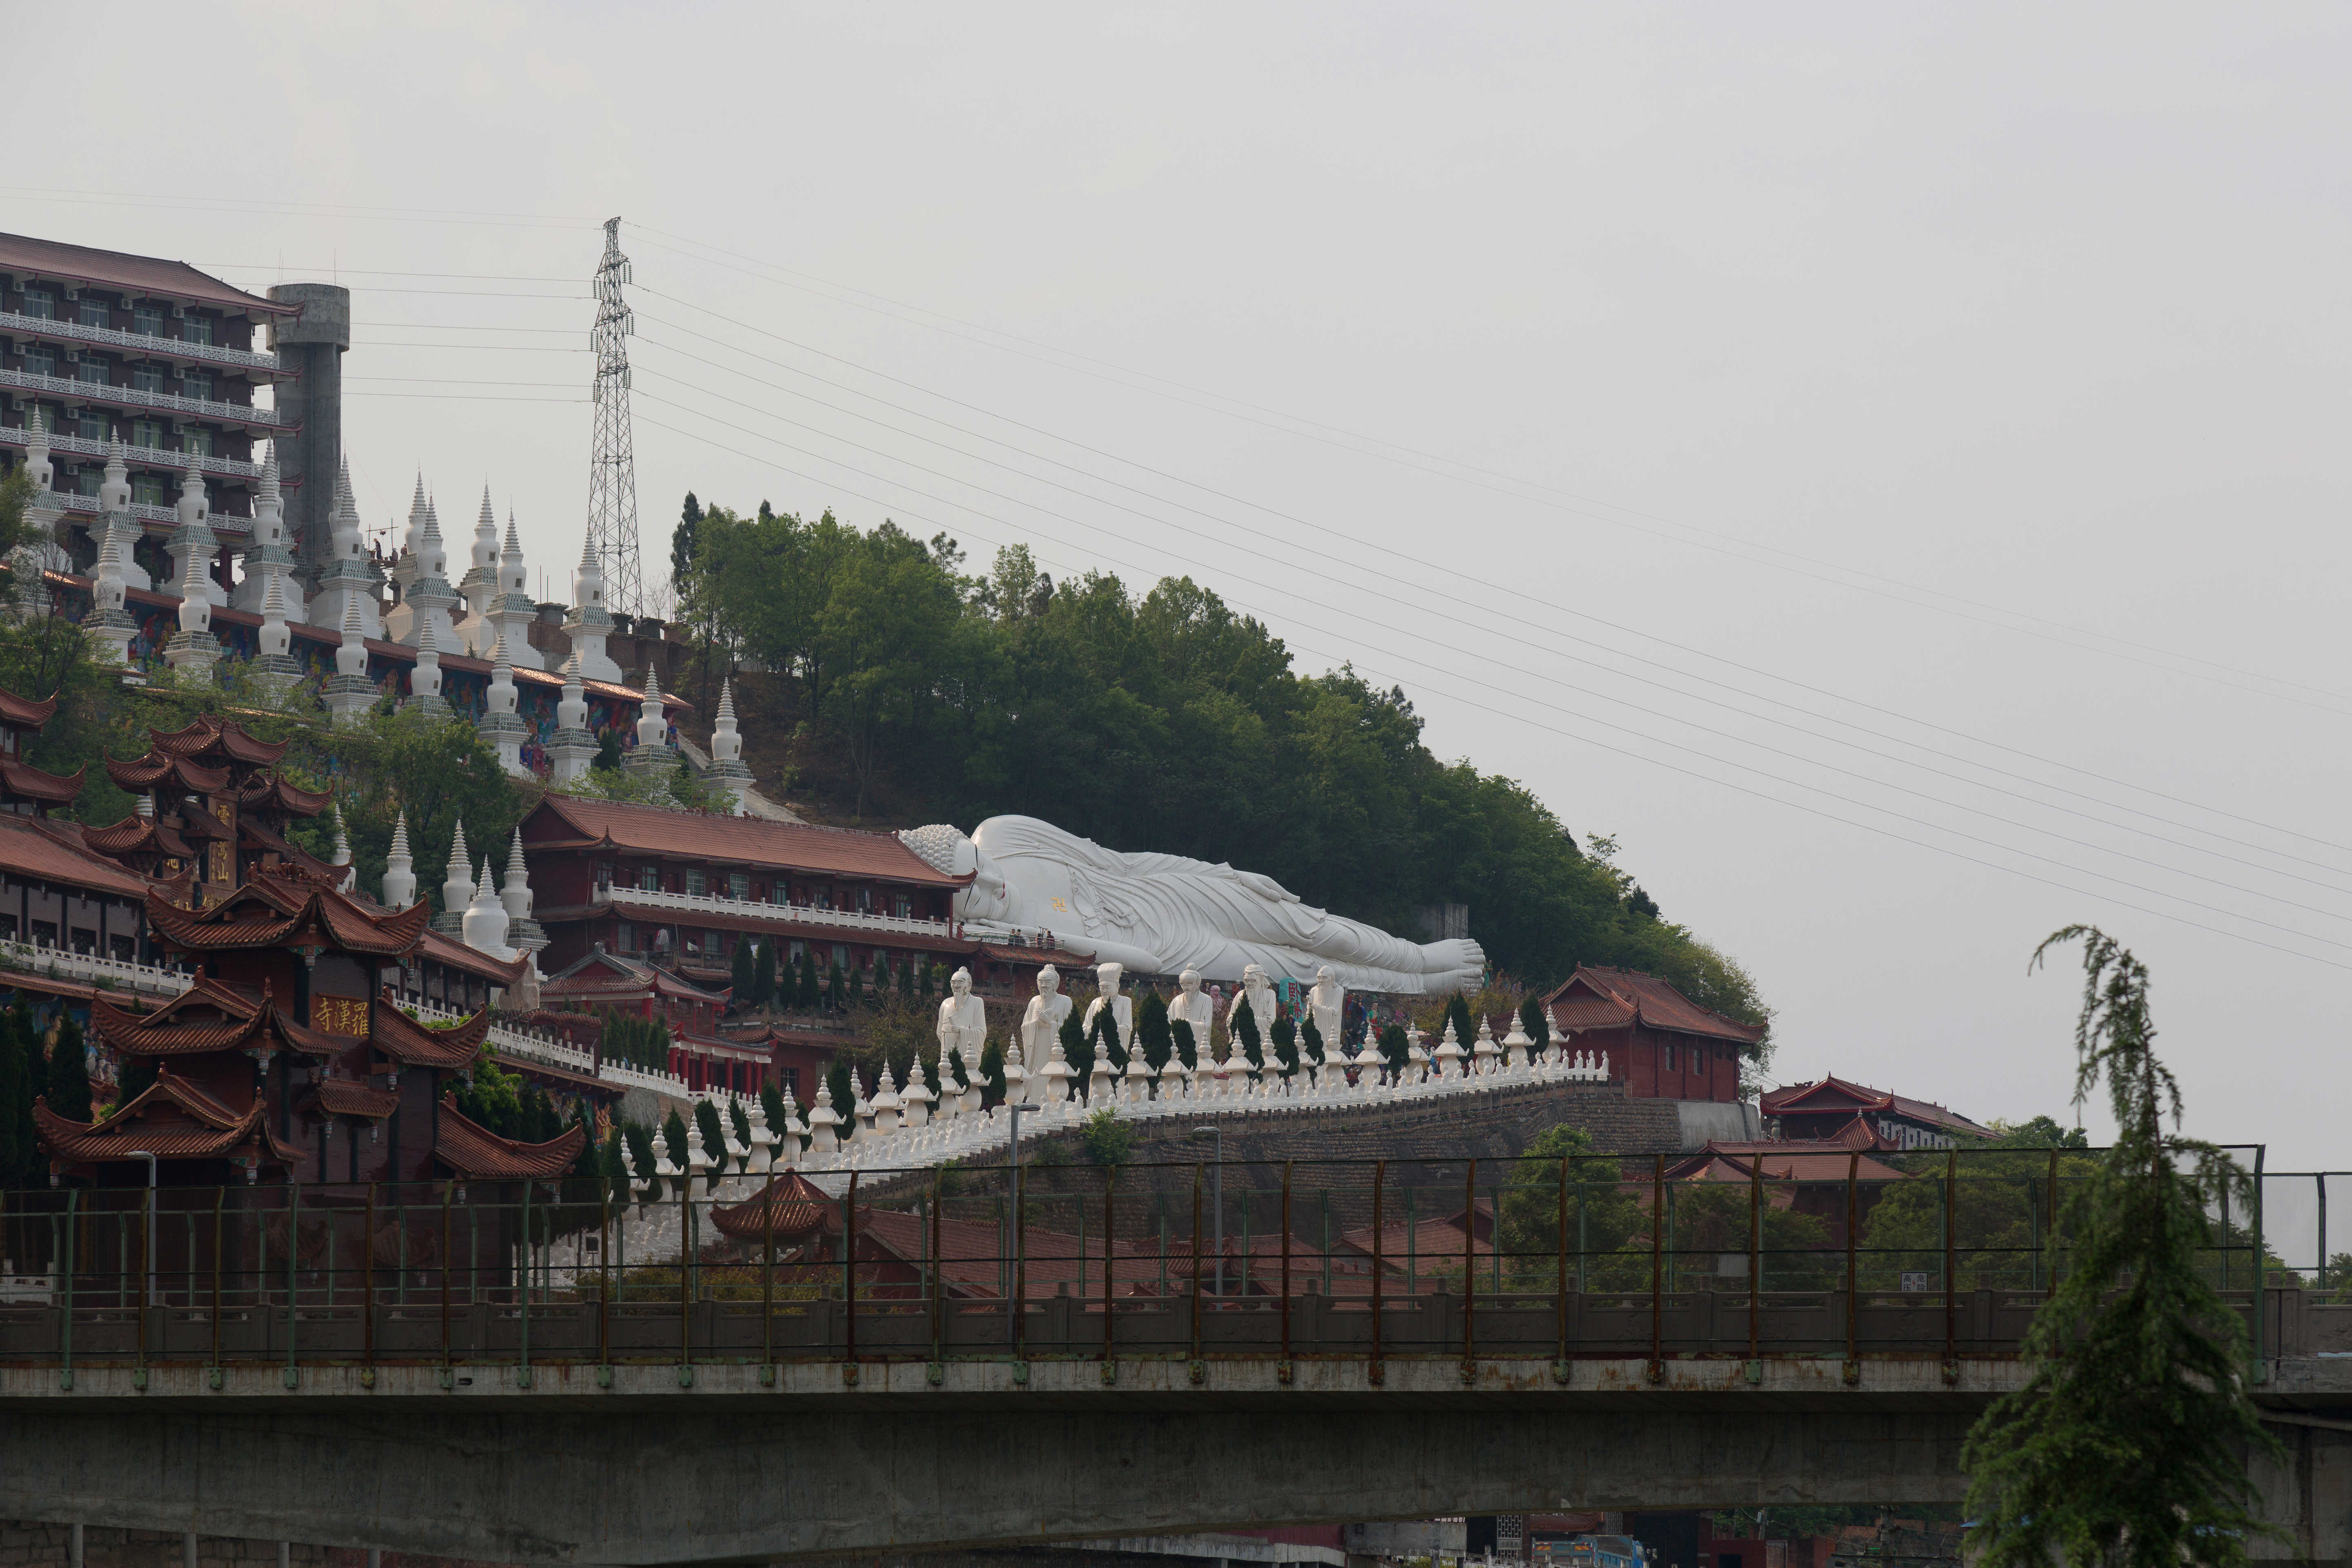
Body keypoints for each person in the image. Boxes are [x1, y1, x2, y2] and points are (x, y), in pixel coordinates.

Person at [896, 816, 1484, 995]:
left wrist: (1213, 872)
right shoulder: (1007, 935)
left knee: (1306, 925)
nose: (995, 885)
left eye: (983, 869)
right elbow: (1135, 961)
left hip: (1165, 891)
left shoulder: (1004, 835)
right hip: (1172, 946)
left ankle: (1418, 956)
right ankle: (1427, 988)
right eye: (975, 892)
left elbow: (1121, 859)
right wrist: (1063, 942)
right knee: (1298, 970)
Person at [1017, 964, 1072, 1101]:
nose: (1044, 986)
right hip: (1036, 1047)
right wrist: (1036, 1024)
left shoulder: (1066, 1002)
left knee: (1052, 1080)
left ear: (1056, 983)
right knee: (1037, 1079)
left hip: (1054, 1047)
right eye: (1041, 982)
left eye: (1048, 982)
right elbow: (1025, 1026)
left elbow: (1072, 1029)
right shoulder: (1034, 1002)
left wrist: (1051, 1023)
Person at [934, 966, 986, 1091]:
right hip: (947, 1054)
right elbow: (940, 1032)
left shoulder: (977, 1003)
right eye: (953, 982)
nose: (956, 986)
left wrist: (962, 1032)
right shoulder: (945, 1004)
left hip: (967, 1054)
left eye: (960, 982)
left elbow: (982, 1031)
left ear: (968, 985)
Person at [1169, 967, 1216, 1068]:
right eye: (1183, 984)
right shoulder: (1176, 1001)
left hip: (1197, 1047)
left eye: (1189, 984)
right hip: (1178, 1046)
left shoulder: (1206, 1000)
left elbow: (1207, 1026)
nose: (1186, 987)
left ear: (1198, 984)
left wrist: (1189, 1024)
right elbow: (1168, 1023)